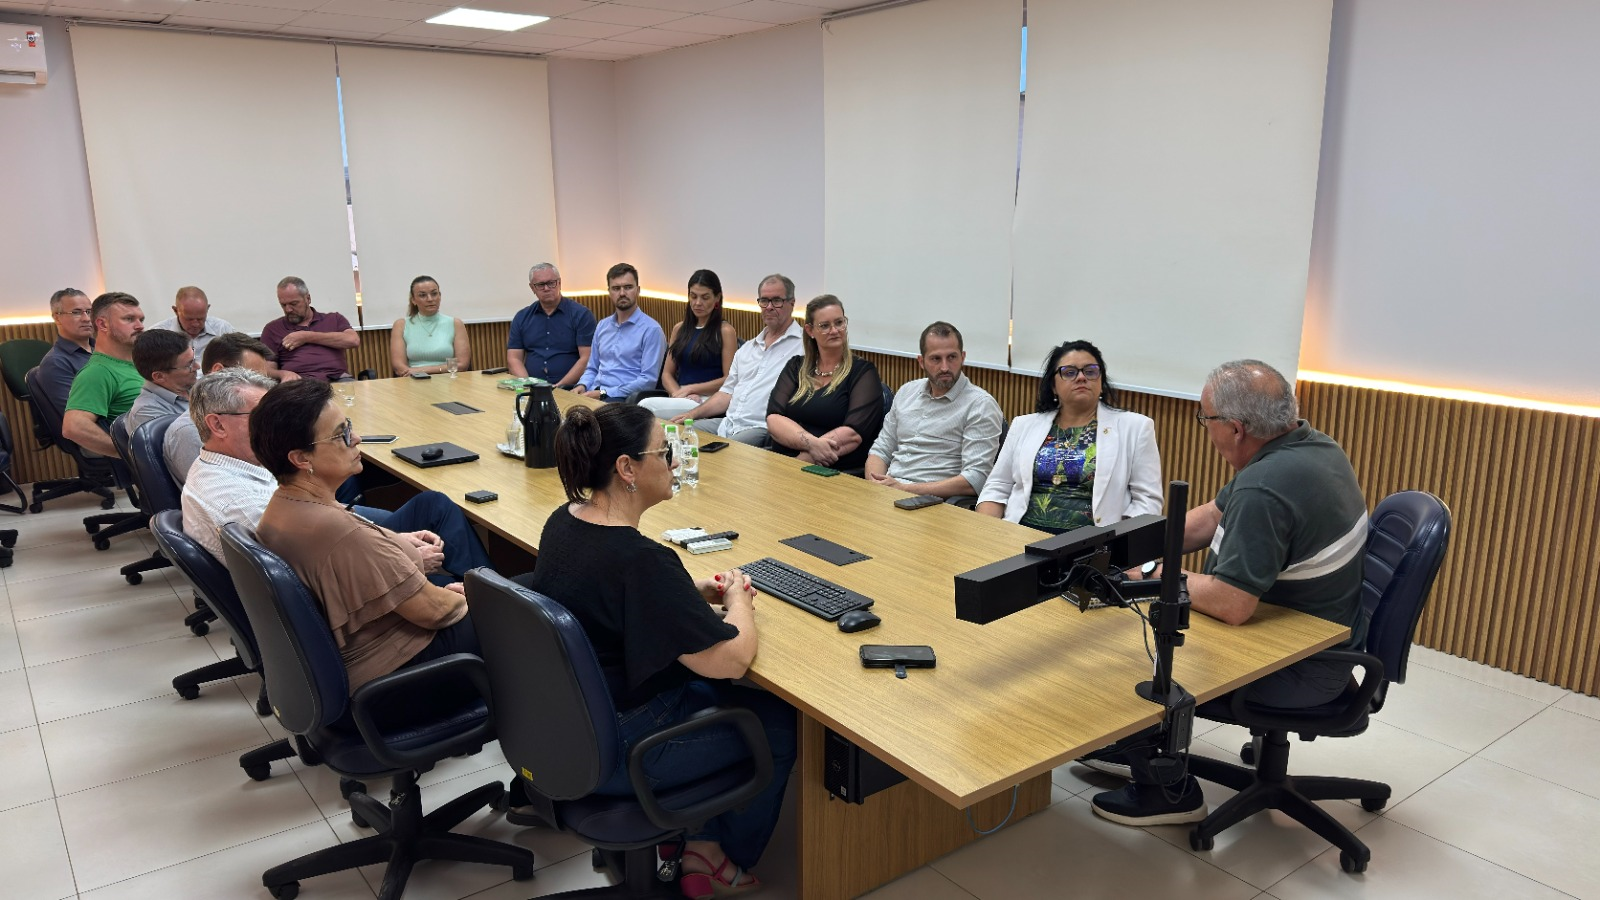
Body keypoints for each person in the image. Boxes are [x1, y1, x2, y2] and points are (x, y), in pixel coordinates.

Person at [524, 403, 795, 897]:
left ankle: (688, 837)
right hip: (623, 746)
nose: (673, 462)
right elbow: (729, 659)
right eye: (664, 452)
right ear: (627, 469)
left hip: (566, 729)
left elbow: (610, 591)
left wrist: (683, 589)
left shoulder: (565, 522)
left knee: (706, 691)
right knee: (775, 722)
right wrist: (739, 602)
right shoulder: (641, 559)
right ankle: (712, 854)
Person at [1084, 359, 1370, 827]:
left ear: (1236, 428)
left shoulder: (1266, 485)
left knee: (1124, 646)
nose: (1205, 429)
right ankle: (1135, 748)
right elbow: (1214, 514)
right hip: (1315, 638)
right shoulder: (1308, 445)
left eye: (1206, 419)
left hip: (1300, 668)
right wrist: (1126, 546)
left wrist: (1149, 572)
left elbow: (1232, 604)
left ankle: (1169, 791)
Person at [250, 379, 479, 693]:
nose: (356, 438)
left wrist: (397, 546)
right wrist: (479, 596)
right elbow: (434, 612)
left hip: (356, 664)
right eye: (342, 434)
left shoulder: (283, 506)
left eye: (350, 426)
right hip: (392, 673)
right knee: (533, 602)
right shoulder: (340, 533)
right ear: (302, 459)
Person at [181, 377, 490, 588]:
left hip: (346, 548)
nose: (270, 423)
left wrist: (395, 541)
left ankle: (491, 588)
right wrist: (408, 558)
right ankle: (499, 601)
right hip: (366, 593)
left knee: (432, 503)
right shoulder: (238, 501)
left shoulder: (228, 469)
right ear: (217, 424)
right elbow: (322, 576)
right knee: (449, 574)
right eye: (261, 414)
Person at [978, 341, 1162, 532]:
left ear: (1101, 382)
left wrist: (1120, 548)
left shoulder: (1136, 428)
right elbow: (998, 486)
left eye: (1090, 371)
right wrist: (986, 534)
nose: (1081, 377)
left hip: (1091, 547)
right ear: (1053, 386)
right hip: (1019, 538)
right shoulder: (1024, 425)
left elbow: (1147, 502)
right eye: (1069, 372)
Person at [865, 321, 1004, 498]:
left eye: (952, 357)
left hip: (932, 503)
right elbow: (881, 451)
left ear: (963, 357)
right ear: (921, 361)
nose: (945, 367)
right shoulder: (907, 392)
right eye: (936, 359)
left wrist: (905, 489)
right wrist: (875, 485)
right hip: (888, 493)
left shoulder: (980, 405)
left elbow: (975, 479)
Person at [672, 274, 803, 445]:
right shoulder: (748, 348)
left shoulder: (803, 347)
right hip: (727, 423)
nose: (769, 307)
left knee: (727, 453)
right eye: (764, 301)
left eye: (776, 301)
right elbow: (726, 393)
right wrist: (692, 415)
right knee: (678, 435)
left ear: (792, 303)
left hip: (761, 428)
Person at [765, 295, 884, 471]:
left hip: (833, 471)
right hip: (783, 464)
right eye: (825, 326)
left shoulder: (863, 372)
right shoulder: (795, 366)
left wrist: (804, 459)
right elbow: (774, 418)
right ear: (810, 330)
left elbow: (853, 434)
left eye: (839, 322)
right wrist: (811, 444)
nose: (834, 330)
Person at [164, 333, 296, 484]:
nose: (262, 385)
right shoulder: (188, 432)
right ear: (219, 371)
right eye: (252, 376)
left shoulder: (248, 418)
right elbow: (211, 490)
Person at [638, 270, 739, 421]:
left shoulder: (725, 331)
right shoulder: (679, 329)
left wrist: (692, 389)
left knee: (645, 406)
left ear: (717, 298)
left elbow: (729, 379)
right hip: (682, 397)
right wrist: (678, 393)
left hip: (710, 400)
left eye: (705, 297)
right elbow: (667, 374)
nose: (698, 303)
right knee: (642, 409)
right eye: (693, 296)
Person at [62, 292, 145, 460]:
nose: (139, 326)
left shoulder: (141, 363)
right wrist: (131, 455)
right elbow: (73, 427)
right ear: (103, 324)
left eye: (141, 319)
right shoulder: (97, 372)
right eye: (129, 319)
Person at [575, 263, 666, 402]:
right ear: (609, 292)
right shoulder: (602, 326)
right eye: (616, 288)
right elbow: (592, 368)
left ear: (638, 290)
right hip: (593, 393)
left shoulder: (651, 330)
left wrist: (604, 393)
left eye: (628, 287)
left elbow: (648, 381)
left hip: (623, 399)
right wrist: (582, 385)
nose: (622, 293)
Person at [507, 263, 596, 387]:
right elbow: (514, 358)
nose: (547, 288)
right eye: (540, 285)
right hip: (531, 390)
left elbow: (587, 358)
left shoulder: (581, 315)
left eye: (551, 283)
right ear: (532, 288)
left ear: (559, 283)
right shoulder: (522, 317)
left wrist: (560, 386)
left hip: (572, 389)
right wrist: (529, 386)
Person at [261, 276, 359, 381]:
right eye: (283, 305)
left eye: (293, 304)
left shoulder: (334, 319)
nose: (288, 309)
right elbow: (266, 370)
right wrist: (283, 374)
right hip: (300, 384)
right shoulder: (272, 329)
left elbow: (353, 340)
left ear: (308, 299)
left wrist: (306, 337)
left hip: (338, 379)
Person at [389, 275, 470, 377]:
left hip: (448, 382)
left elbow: (462, 365)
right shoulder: (401, 325)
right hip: (414, 381)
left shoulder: (455, 323)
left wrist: (423, 370)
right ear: (413, 300)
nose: (430, 299)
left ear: (440, 296)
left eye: (434, 294)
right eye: (423, 295)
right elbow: (399, 367)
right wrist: (417, 373)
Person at [125, 328, 198, 437]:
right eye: (189, 365)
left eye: (194, 359)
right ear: (159, 376)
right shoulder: (147, 412)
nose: (197, 367)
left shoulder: (192, 385)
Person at [35, 288, 95, 416]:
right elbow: (80, 418)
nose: (86, 318)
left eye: (89, 312)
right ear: (57, 318)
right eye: (76, 312)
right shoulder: (55, 363)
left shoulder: (104, 350)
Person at [150, 286, 234, 358]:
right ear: (176, 311)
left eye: (200, 318)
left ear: (207, 309)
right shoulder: (158, 335)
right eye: (189, 319)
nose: (195, 324)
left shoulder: (222, 329)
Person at [200, 331, 298, 382]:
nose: (264, 389)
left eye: (264, 380)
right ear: (218, 373)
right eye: (253, 379)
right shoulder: (191, 421)